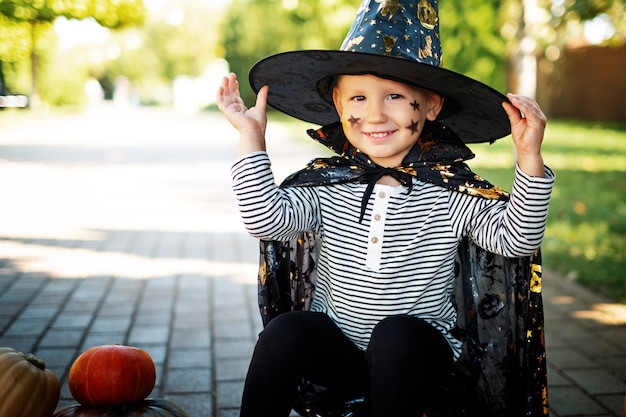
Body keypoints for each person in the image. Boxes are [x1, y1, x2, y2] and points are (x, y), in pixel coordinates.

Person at [217, 0, 555, 415]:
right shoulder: (327, 185)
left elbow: (517, 240)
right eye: (358, 97)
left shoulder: (450, 192)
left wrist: (528, 158)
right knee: (284, 332)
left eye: (394, 95)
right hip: (342, 354)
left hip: (416, 358)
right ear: (339, 106)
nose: (373, 113)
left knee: (394, 336)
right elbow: (264, 220)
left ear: (431, 106)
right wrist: (251, 137)